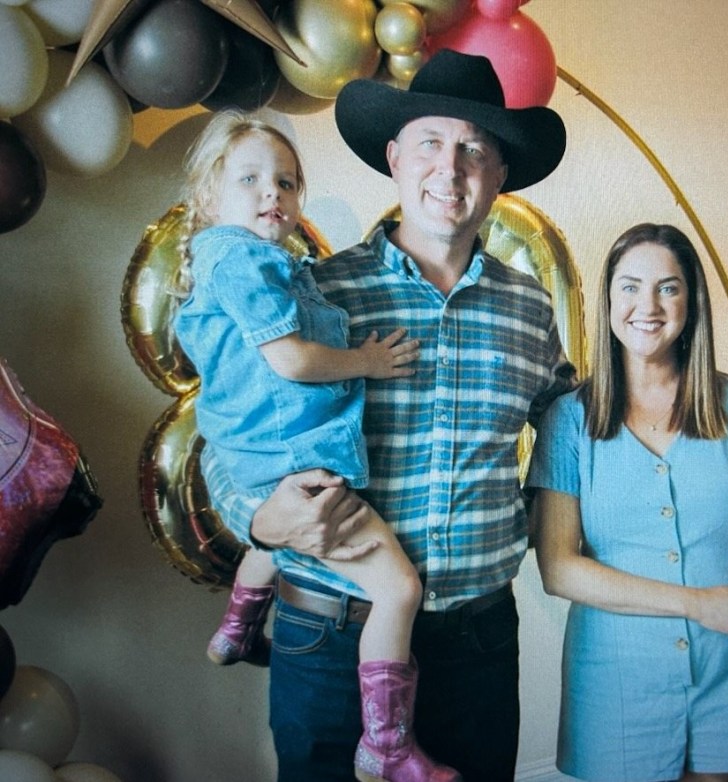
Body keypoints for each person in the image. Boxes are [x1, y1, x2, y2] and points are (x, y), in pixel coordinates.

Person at [197, 51, 574, 782]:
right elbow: (230, 424)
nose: (450, 168)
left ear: (500, 174)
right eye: (431, 143)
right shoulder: (318, 294)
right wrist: (261, 520)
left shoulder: (530, 309)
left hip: (477, 643)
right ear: (396, 158)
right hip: (330, 633)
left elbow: (571, 426)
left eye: (474, 150)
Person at [172, 111, 468, 782]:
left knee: (277, 538)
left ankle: (237, 630)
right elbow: (289, 362)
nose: (272, 193)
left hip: (468, 636)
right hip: (302, 501)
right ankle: (384, 745)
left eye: (286, 182)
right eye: (250, 179)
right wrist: (366, 360)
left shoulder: (268, 266)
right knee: (399, 587)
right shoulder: (268, 265)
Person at [525, 222, 728, 782]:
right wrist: (698, 604)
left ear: (692, 302)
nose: (648, 306)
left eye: (668, 288)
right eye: (630, 286)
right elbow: (558, 569)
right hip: (616, 678)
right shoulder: (568, 421)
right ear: (608, 298)